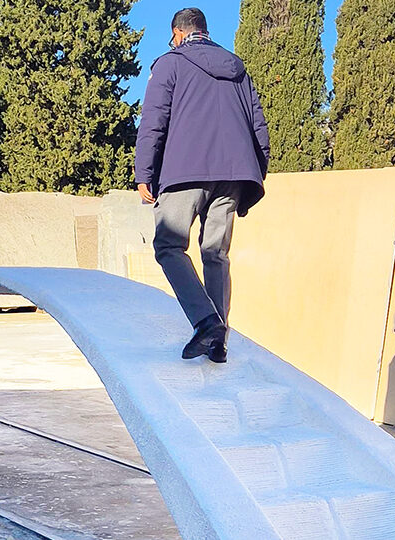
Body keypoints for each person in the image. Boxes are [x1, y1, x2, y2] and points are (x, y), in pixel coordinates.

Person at [134, 7, 270, 364]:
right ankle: (218, 341)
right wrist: (255, 172)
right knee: (215, 253)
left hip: (186, 170)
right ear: (205, 32)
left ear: (179, 33)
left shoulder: (170, 63)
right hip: (235, 174)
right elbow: (259, 127)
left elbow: (153, 122)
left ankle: (206, 322)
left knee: (168, 245)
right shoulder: (238, 68)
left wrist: (144, 171)